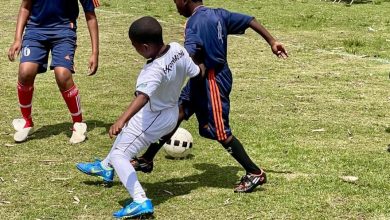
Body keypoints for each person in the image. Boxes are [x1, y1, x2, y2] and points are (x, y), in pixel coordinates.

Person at [131, 0, 289, 193]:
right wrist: (272, 41)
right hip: (200, 78)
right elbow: (249, 20)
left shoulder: (194, 23)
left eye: (175, 1)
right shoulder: (218, 14)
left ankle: (254, 172)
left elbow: (189, 52)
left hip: (212, 80)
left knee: (220, 131)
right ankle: (147, 159)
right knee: (178, 113)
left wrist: (164, 67)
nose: (175, 6)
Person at [76, 16, 202, 218]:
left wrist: (121, 119)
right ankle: (105, 168)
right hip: (168, 111)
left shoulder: (152, 70)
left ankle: (140, 200)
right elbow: (195, 72)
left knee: (120, 156)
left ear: (144, 47)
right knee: (126, 137)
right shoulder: (178, 49)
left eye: (134, 46)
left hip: (153, 118)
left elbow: (142, 97)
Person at [8, 0, 100, 144]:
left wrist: (95, 52)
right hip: (35, 31)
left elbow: (90, 15)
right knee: (25, 72)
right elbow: (25, 7)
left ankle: (78, 123)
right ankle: (27, 121)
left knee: (63, 75)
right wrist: (17, 38)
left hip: (64, 31)